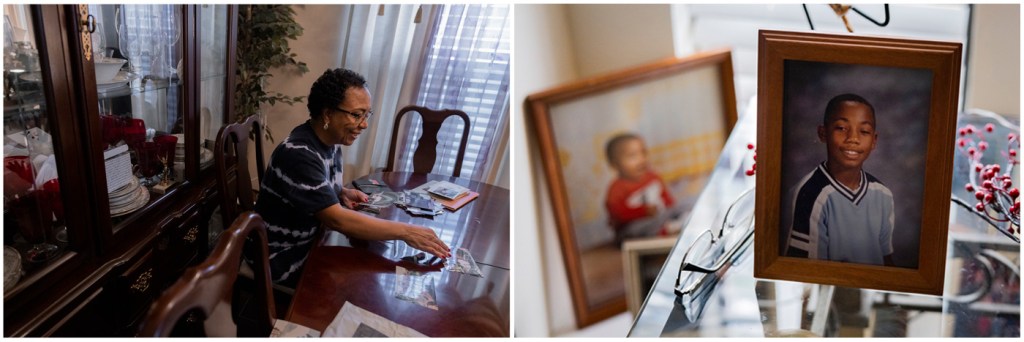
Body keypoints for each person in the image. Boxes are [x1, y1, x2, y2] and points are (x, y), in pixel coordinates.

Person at [255, 68, 450, 286]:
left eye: (367, 115)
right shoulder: (299, 154)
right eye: (357, 115)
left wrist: (339, 192)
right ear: (328, 114)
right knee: (367, 277)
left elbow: (308, 188)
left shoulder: (329, 141)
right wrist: (407, 232)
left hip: (315, 239)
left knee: (375, 260)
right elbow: (337, 219)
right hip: (282, 256)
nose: (364, 124)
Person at [783, 93, 895, 266]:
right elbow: (807, 271)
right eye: (841, 128)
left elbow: (887, 260)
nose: (853, 139)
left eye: (864, 131)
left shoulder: (883, 194)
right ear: (823, 133)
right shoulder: (809, 195)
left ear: (874, 141)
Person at [603, 133, 680, 246]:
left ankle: (675, 225)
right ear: (615, 164)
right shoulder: (617, 188)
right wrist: (644, 211)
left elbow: (666, 198)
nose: (641, 160)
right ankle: (665, 230)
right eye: (632, 156)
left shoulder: (653, 177)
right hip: (632, 228)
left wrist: (671, 209)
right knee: (635, 230)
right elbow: (618, 214)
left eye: (643, 153)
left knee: (685, 205)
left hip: (660, 218)